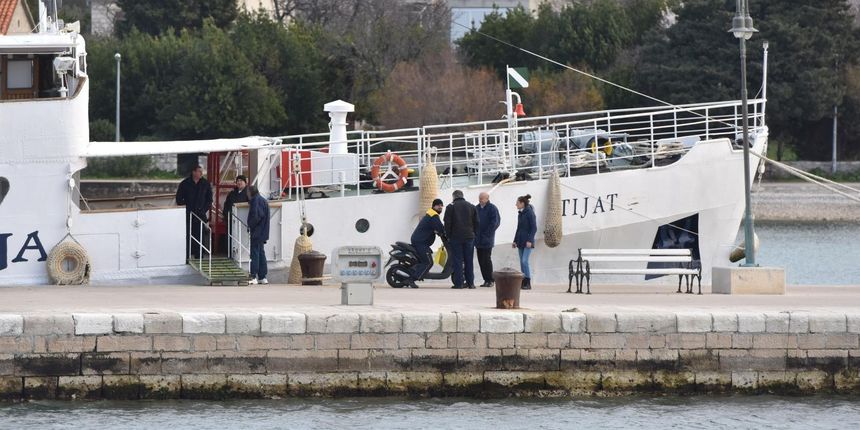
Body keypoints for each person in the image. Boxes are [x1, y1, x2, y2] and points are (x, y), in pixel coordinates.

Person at [175, 165, 213, 259]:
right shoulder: (185, 183)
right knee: (187, 235)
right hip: (188, 214)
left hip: (200, 214)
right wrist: (188, 206)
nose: (201, 173)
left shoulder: (205, 184)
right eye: (199, 171)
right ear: (194, 172)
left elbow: (209, 200)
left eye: (202, 171)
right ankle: (187, 256)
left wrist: (203, 209)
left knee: (199, 235)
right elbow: (179, 199)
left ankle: (199, 256)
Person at [444, 189, 479, 289]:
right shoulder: (472, 206)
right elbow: (477, 222)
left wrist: (448, 236)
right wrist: (474, 234)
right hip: (469, 237)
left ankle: (458, 284)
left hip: (456, 237)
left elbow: (447, 223)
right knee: (469, 260)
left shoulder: (450, 207)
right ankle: (471, 283)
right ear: (462, 196)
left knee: (458, 260)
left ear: (454, 197)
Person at [409, 198, 446, 288]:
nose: (440, 207)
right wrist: (444, 233)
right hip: (420, 242)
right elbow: (440, 228)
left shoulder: (430, 214)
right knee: (428, 262)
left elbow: (436, 228)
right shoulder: (433, 216)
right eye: (438, 205)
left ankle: (420, 273)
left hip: (420, 241)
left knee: (425, 261)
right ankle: (411, 279)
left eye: (441, 206)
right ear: (433, 206)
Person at [475, 192, 500, 288]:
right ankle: (485, 279)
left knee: (486, 260)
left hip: (487, 239)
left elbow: (495, 222)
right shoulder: (476, 208)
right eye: (479, 198)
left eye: (482, 198)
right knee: (481, 260)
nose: (480, 200)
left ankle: (490, 279)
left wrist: (487, 234)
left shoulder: (492, 208)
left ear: (487, 198)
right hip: (478, 239)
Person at [247, 186, 270, 285]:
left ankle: (253, 276)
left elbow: (256, 216)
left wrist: (250, 225)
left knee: (255, 253)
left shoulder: (256, 200)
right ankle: (262, 276)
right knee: (261, 253)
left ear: (250, 192)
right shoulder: (263, 200)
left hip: (257, 231)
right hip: (263, 231)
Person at [513, 194, 537, 290]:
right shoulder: (521, 213)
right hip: (520, 241)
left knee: (524, 261)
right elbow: (518, 228)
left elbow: (534, 228)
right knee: (521, 262)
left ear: (522, 203)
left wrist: (530, 240)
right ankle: (523, 281)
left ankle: (528, 281)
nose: (516, 205)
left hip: (527, 241)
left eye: (517, 203)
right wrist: (515, 241)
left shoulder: (530, 213)